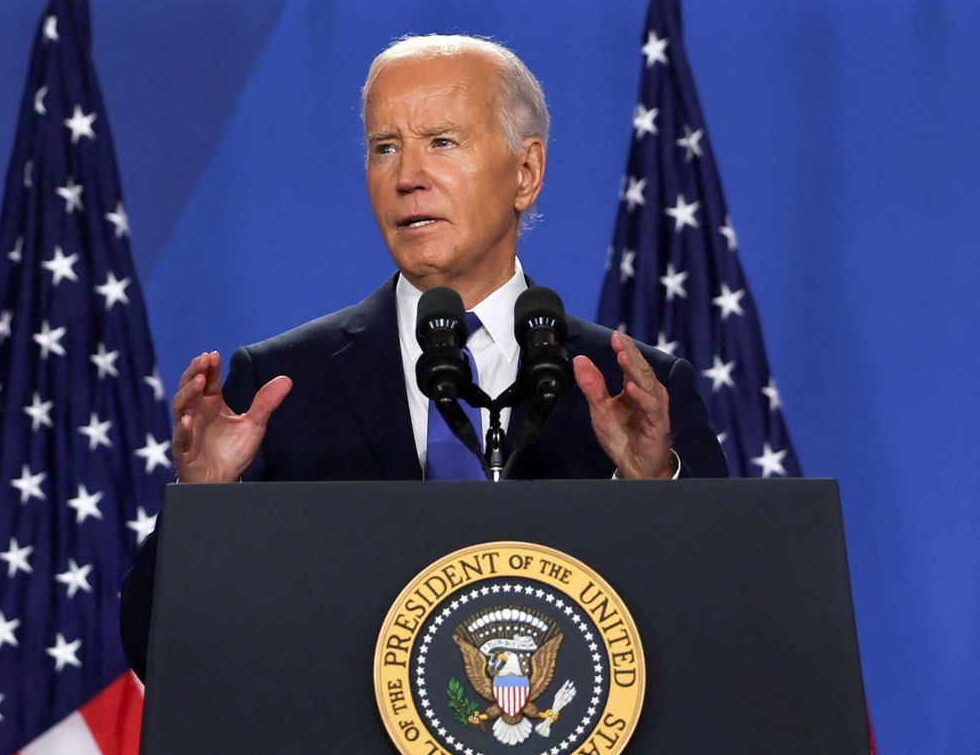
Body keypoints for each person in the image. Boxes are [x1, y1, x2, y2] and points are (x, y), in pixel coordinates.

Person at [122, 35, 727, 676]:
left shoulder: (635, 391)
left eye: (442, 142)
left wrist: (656, 491)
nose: (407, 178)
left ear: (526, 173)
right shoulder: (277, 390)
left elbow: (727, 633)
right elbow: (159, 656)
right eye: (385, 148)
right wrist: (206, 506)